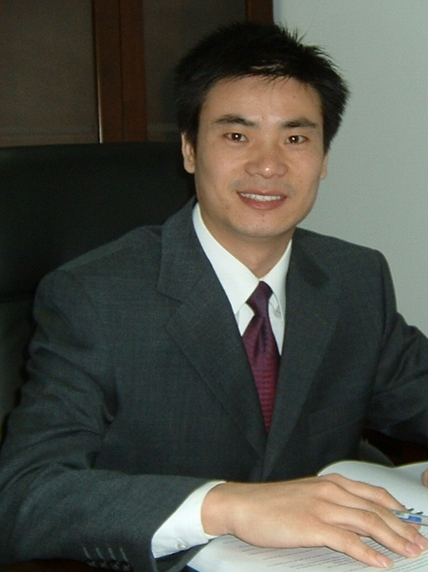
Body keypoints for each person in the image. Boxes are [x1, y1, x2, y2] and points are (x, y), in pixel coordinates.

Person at [1, 21, 428, 572]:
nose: (268, 165)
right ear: (189, 149)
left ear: (324, 158)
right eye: (237, 136)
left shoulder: (355, 278)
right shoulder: (94, 297)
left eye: (295, 138)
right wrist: (227, 506)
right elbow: (24, 498)